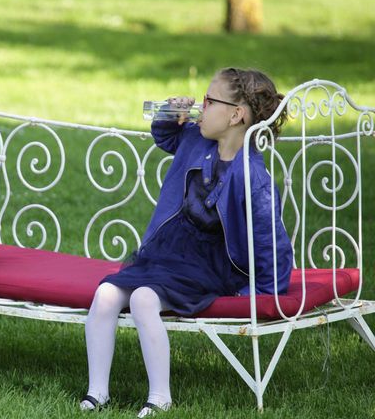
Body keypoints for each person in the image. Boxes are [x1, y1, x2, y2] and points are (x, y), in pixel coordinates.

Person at [79, 68, 293, 416]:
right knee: (105, 294)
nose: (201, 106)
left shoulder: (252, 177)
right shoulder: (195, 138)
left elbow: (272, 242)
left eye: (209, 101)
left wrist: (266, 291)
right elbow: (166, 138)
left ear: (236, 115)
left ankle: (160, 396)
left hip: (211, 264)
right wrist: (169, 114)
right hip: (169, 251)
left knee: (145, 299)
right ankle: (96, 392)